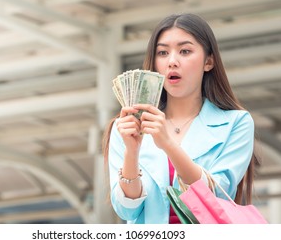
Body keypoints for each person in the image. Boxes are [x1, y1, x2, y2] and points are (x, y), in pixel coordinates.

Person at [102, 13, 260, 224]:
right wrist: (132, 151)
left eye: (185, 51)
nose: (172, 61)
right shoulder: (124, 127)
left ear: (209, 61)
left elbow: (214, 197)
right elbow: (126, 210)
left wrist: (168, 144)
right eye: (163, 52)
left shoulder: (237, 123)